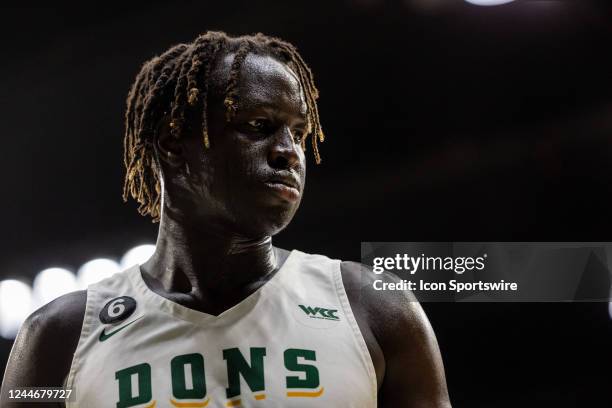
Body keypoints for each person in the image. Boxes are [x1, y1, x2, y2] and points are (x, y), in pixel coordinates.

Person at [1, 31, 451, 407]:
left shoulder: (376, 310)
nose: (289, 153)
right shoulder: (58, 339)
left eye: (298, 133)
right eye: (258, 126)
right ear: (174, 146)